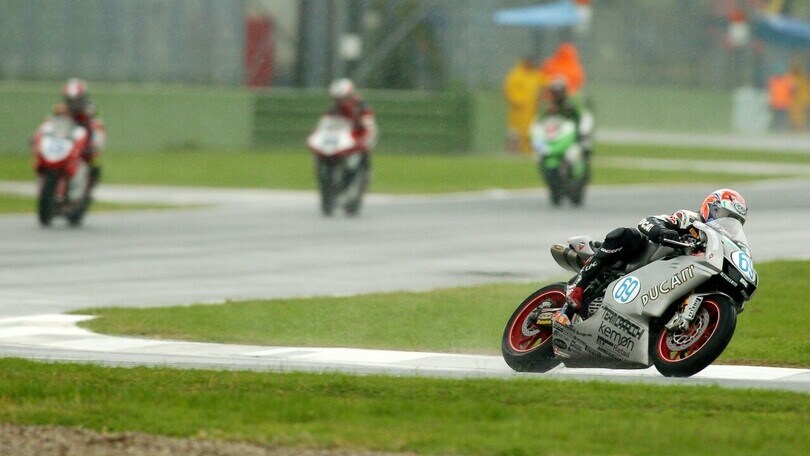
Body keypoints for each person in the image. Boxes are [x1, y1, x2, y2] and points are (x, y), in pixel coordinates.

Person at [554, 188, 749, 327]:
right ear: (711, 208)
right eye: (724, 215)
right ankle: (577, 289)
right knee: (627, 235)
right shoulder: (690, 219)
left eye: (734, 221)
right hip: (643, 261)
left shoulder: (720, 244)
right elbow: (647, 222)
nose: (727, 223)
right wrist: (662, 232)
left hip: (668, 280)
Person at [58, 78, 105, 187]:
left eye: (76, 100)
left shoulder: (88, 110)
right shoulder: (61, 110)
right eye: (70, 100)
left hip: (82, 145)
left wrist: (91, 146)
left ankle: (90, 177)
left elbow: (92, 121)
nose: (73, 103)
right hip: (65, 141)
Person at [503, 56, 543, 154]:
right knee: (515, 133)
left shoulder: (535, 75)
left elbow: (546, 83)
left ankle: (529, 152)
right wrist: (518, 101)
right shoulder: (516, 75)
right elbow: (509, 90)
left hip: (531, 110)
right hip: (518, 111)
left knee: (531, 132)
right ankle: (513, 153)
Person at [326, 78, 378, 152]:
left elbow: (369, 132)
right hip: (338, 142)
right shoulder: (333, 110)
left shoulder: (361, 108)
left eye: (339, 99)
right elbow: (325, 125)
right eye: (336, 99)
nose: (337, 102)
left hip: (354, 142)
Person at [767, 64, 795, 132]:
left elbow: (792, 90)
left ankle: (783, 129)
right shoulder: (772, 80)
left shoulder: (787, 79)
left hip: (784, 103)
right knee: (776, 117)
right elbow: (769, 91)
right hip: (775, 103)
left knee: (783, 117)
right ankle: (776, 129)